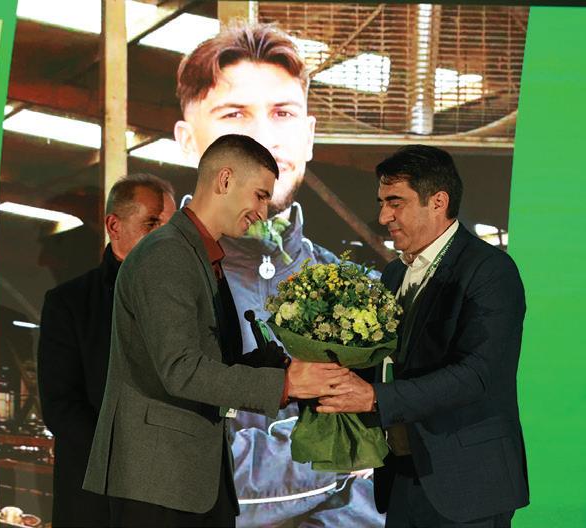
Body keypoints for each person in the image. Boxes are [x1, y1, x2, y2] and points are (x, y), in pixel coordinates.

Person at [174, 21, 384, 527]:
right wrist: (344, 453)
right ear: (187, 141)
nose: (263, 139)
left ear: (308, 137)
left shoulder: (361, 295)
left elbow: (397, 481)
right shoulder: (145, 285)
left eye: (282, 113)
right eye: (234, 114)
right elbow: (183, 472)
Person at [83, 134, 350, 527]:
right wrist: (286, 384)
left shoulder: (202, 255)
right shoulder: (167, 254)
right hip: (159, 480)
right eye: (260, 196)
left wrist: (274, 366)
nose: (263, 212)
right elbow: (181, 370)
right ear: (224, 180)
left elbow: (210, 361)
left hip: (194, 477)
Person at [317, 145, 529, 527]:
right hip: (402, 476)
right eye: (382, 203)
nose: (383, 216)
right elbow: (383, 361)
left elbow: (477, 374)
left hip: (470, 484)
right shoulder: (394, 274)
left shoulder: (491, 271)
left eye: (395, 203)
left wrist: (375, 398)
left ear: (438, 202)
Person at [37, 174, 176, 527]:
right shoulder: (69, 303)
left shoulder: (190, 303)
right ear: (114, 226)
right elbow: (61, 406)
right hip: (97, 500)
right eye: (152, 223)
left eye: (172, 227)